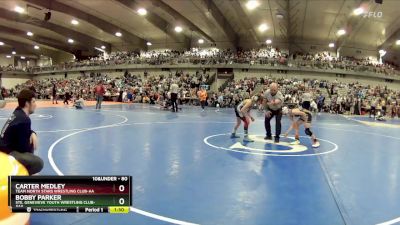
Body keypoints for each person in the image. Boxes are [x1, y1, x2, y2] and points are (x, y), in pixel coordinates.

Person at [0, 89, 43, 175]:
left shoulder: (17, 112)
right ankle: (19, 175)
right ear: (27, 103)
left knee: (30, 140)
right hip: (7, 154)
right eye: (33, 102)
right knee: (38, 163)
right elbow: (23, 148)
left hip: (3, 149)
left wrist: (32, 132)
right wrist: (30, 138)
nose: (35, 105)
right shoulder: (25, 120)